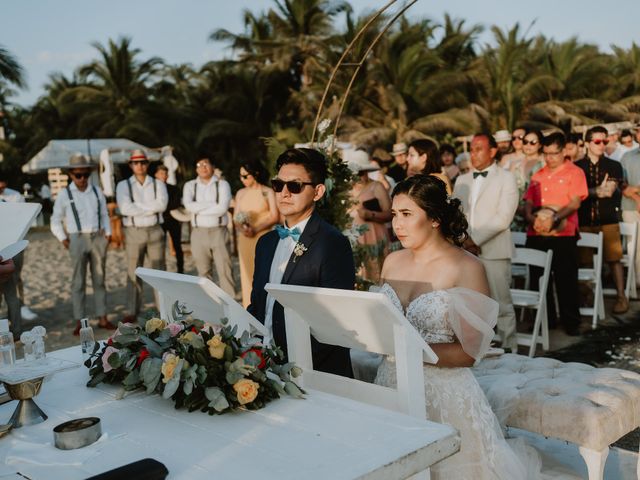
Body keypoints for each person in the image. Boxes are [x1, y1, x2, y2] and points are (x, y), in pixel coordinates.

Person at [375, 174, 530, 479]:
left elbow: (469, 353)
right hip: (389, 385)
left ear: (434, 218)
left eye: (407, 214)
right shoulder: (392, 261)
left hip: (443, 397)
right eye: (394, 215)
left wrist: (407, 350)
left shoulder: (466, 267)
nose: (397, 224)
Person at [248, 148, 355, 377]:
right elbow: (258, 306)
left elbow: (335, 322)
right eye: (278, 185)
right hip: (261, 367)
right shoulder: (265, 243)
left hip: (313, 373)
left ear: (317, 192)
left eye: (294, 186)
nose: (284, 193)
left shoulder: (333, 244)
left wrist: (288, 369)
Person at [453, 134, 519, 352]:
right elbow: (455, 215)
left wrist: (475, 239)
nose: (474, 153)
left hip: (494, 250)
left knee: (501, 304)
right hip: (465, 251)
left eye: (479, 149)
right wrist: (463, 240)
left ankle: (509, 350)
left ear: (493, 151)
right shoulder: (462, 180)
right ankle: (475, 349)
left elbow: (503, 217)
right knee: (470, 304)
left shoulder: (506, 177)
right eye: (471, 149)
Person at [523, 132, 588, 336]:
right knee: (539, 279)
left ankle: (571, 322)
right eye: (547, 154)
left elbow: (575, 202)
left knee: (566, 279)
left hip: (564, 234)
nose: (550, 158)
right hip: (537, 233)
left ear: (563, 151)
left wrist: (555, 218)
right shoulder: (538, 175)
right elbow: (528, 202)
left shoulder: (574, 172)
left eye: (555, 153)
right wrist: (531, 218)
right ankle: (546, 321)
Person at [51, 153, 116, 335]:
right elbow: (55, 220)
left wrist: (108, 234)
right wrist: (63, 238)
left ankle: (102, 317)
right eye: (77, 175)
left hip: (97, 238)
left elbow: (104, 214)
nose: (82, 179)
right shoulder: (64, 194)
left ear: (89, 174)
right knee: (78, 281)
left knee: (99, 279)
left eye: (85, 175)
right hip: (76, 238)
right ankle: (81, 321)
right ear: (71, 175)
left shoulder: (97, 191)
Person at [576, 126, 628, 313]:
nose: (601, 145)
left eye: (605, 141)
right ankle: (587, 298)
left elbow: (608, 191)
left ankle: (622, 297)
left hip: (607, 219)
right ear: (588, 143)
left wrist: (587, 192)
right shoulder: (577, 167)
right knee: (584, 261)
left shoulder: (614, 165)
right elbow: (576, 194)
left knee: (614, 260)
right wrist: (593, 191)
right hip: (583, 221)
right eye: (597, 141)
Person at [116, 150, 168, 322]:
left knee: (159, 271)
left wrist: (138, 208)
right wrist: (148, 209)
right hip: (134, 231)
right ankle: (132, 310)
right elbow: (124, 209)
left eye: (143, 162)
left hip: (155, 229)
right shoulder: (123, 185)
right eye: (136, 163)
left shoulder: (158, 183)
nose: (140, 166)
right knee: (133, 271)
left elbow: (162, 205)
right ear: (131, 165)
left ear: (148, 164)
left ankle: (163, 309)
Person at [183, 157, 235, 296]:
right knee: (203, 271)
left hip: (219, 232)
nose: (203, 167)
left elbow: (222, 208)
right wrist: (212, 204)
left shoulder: (223, 184)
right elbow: (189, 206)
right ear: (196, 169)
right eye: (199, 165)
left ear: (212, 166)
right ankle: (209, 305)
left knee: (225, 270)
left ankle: (230, 308)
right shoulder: (189, 185)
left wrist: (198, 208)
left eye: (206, 164)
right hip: (198, 233)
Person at [233, 162, 278, 307]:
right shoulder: (240, 193)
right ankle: (249, 306)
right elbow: (236, 217)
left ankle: (265, 306)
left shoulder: (267, 192)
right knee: (246, 274)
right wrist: (243, 229)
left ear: (255, 174)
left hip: (262, 236)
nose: (242, 179)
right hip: (245, 238)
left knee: (263, 272)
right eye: (240, 176)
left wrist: (256, 229)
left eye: (245, 176)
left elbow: (274, 216)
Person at [347, 150, 392, 284]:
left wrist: (371, 214)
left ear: (366, 172)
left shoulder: (376, 186)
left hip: (373, 236)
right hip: (353, 239)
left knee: (375, 273)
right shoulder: (346, 189)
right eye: (355, 173)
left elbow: (390, 213)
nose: (358, 177)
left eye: (361, 173)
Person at [508, 129, 545, 230]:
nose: (528, 145)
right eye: (525, 142)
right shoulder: (514, 165)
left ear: (540, 145)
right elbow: (507, 189)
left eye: (533, 142)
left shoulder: (545, 164)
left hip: (538, 214)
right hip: (515, 213)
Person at [155, 165, 184, 274]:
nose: (164, 176)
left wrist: (161, 206)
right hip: (159, 221)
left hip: (174, 220)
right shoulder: (153, 189)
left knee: (177, 246)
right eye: (161, 173)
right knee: (159, 248)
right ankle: (162, 271)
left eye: (166, 173)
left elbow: (176, 203)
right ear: (156, 175)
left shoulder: (174, 188)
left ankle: (180, 270)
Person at [621, 146, 640, 292]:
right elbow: (622, 184)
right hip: (630, 207)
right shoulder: (627, 156)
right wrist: (636, 197)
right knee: (633, 247)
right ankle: (636, 284)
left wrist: (636, 189)